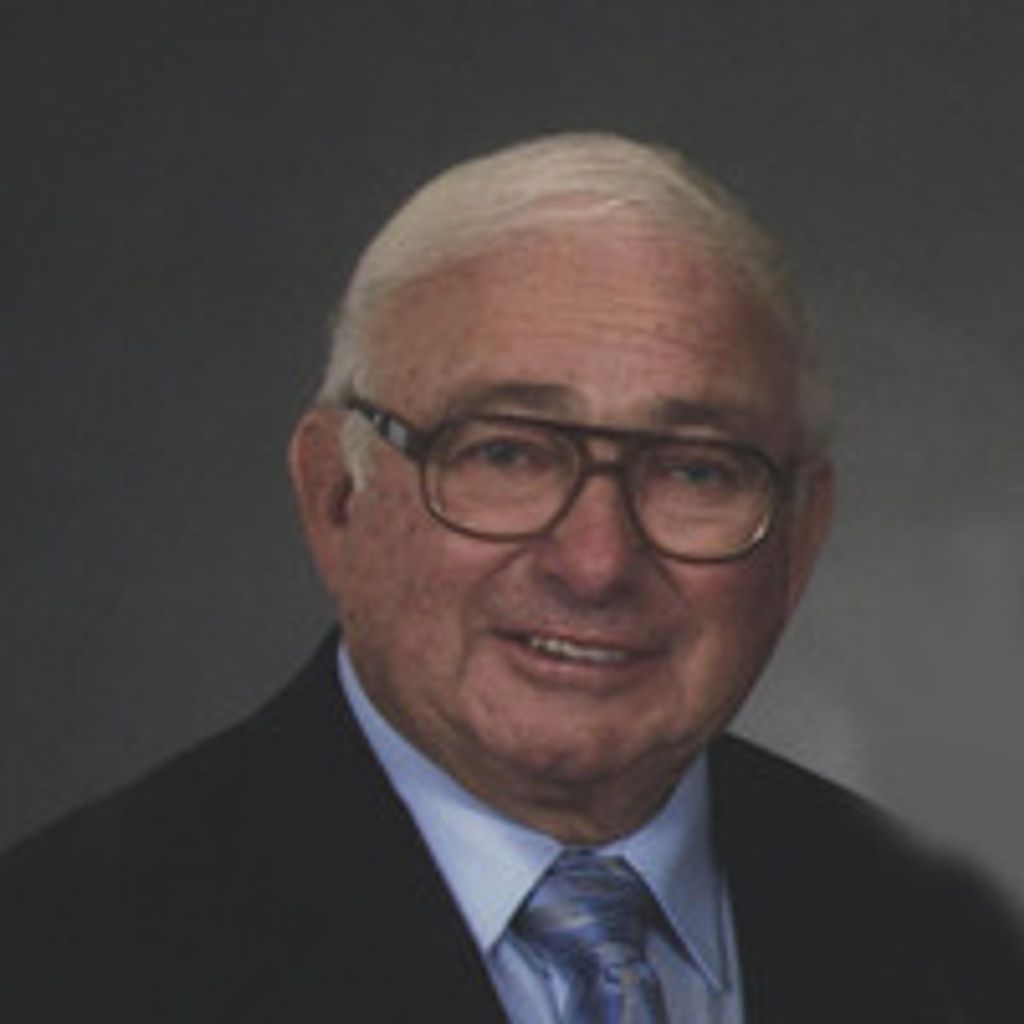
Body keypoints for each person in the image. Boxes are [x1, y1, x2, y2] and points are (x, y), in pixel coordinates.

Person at [0, 133, 1020, 1023]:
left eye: (696, 470)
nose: (597, 562)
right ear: (336, 498)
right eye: (505, 454)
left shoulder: (963, 945)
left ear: (798, 541)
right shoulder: (60, 957)